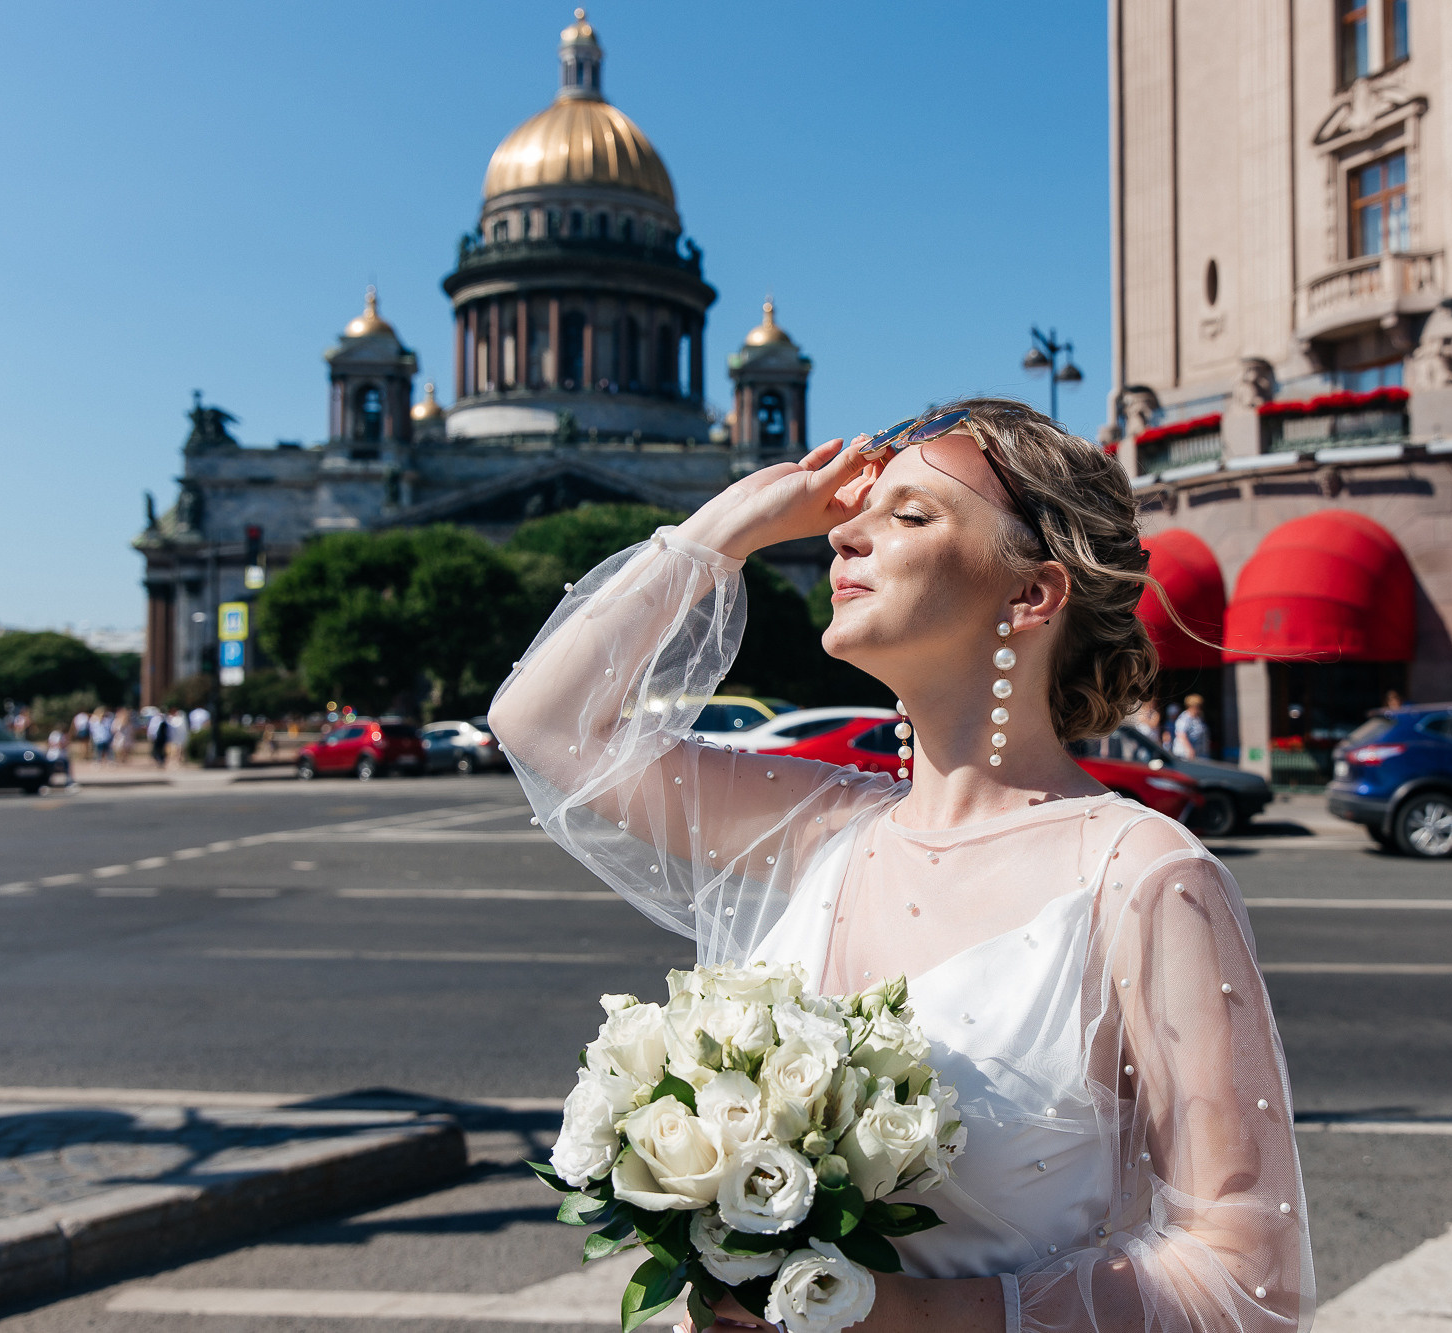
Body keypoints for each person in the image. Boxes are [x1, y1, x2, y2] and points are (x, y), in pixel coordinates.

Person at [491, 398, 1311, 1333]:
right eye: (855, 515)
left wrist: (889, 1313)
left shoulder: (1143, 873)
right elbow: (543, 724)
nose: (844, 533)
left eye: (910, 515)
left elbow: (1249, 1279)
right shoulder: (826, 825)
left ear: (1031, 594)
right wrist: (730, 527)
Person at [1172, 690, 1212, 759]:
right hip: (1186, 755)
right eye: (1197, 706)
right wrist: (1189, 750)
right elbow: (1181, 735)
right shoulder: (1184, 718)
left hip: (1199, 753)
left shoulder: (1199, 718)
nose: (1199, 709)